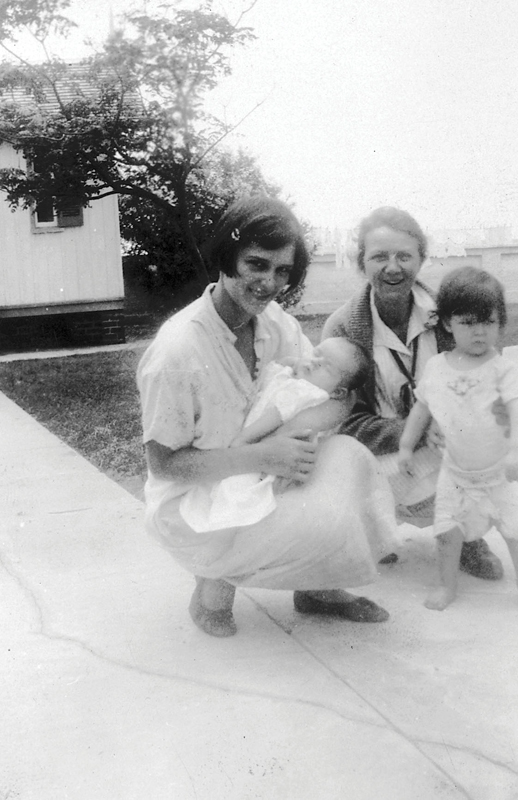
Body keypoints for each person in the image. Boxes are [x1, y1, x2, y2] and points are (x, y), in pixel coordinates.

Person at [137, 196, 398, 638]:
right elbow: (164, 464)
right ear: (225, 259)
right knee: (321, 516)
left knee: (348, 457)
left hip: (256, 473)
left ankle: (318, 588)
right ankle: (211, 585)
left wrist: (302, 430)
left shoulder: (273, 322)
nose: (270, 283)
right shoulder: (177, 352)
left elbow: (327, 394)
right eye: (257, 265)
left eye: (282, 271)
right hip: (192, 499)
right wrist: (263, 455)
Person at [322, 206, 504, 580]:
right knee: (345, 469)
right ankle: (375, 528)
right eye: (379, 256)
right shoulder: (342, 327)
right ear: (361, 263)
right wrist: (413, 429)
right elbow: (341, 422)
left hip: (447, 445)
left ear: (422, 258)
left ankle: (468, 537)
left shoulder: (449, 315)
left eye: (404, 255)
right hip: (384, 453)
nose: (393, 267)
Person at [398, 267, 518, 609]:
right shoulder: (437, 367)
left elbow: (515, 408)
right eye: (468, 322)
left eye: (489, 322)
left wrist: (515, 451)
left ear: (500, 322)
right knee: (447, 533)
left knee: (514, 532)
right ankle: (447, 586)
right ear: (448, 323)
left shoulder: (504, 369)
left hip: (497, 474)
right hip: (455, 472)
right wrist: (406, 446)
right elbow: (421, 409)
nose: (479, 332)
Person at [179, 337, 369, 532]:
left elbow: (273, 418)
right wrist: (295, 363)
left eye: (325, 367)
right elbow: (283, 362)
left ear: (337, 392)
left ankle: (226, 523)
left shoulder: (305, 392)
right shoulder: (296, 377)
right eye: (316, 353)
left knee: (238, 491)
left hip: (259, 442)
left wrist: (243, 441)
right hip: (264, 447)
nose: (313, 362)